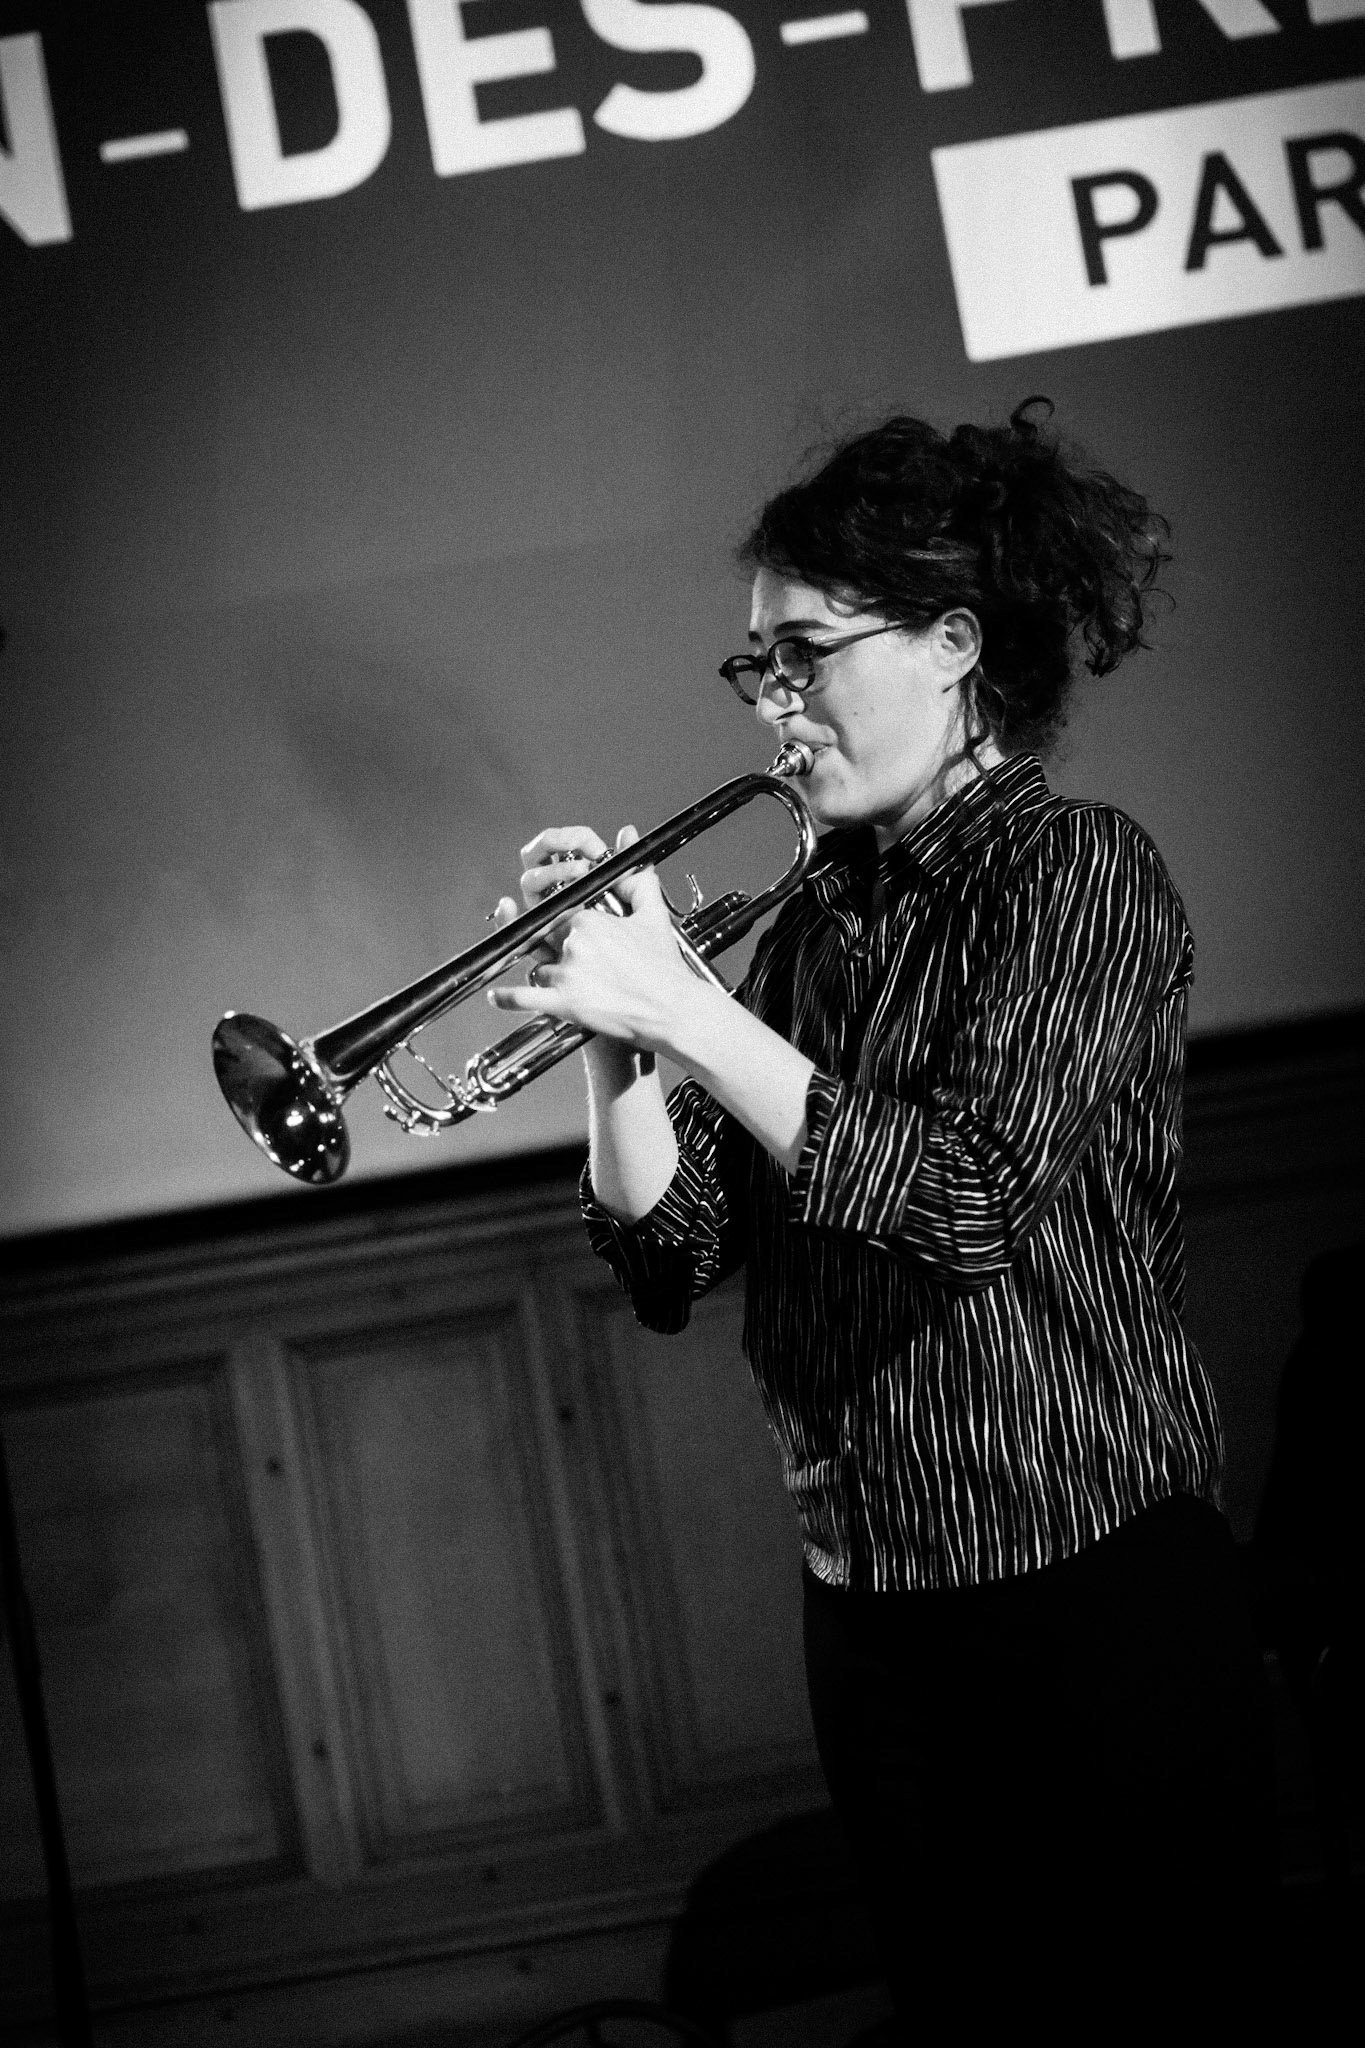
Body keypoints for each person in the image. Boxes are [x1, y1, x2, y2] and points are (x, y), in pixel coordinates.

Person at [489, 401, 1276, 2032]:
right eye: (753, 669)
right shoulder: (789, 925)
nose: (774, 705)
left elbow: (962, 1198)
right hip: (870, 1610)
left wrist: (695, 1016)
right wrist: (619, 1038)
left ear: (948, 645)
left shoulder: (1075, 875)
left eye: (804, 655)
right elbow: (666, 1257)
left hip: (1091, 1588)